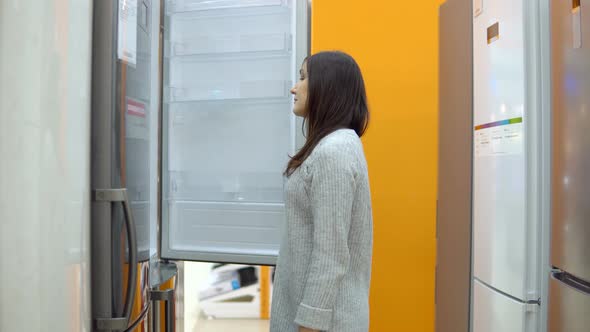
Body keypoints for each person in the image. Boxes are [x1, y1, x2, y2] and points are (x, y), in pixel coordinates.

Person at [269, 51, 373, 332]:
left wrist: (309, 324)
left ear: (327, 86)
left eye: (302, 78)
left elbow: (331, 255)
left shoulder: (334, 152)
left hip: (322, 325)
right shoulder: (333, 146)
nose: (294, 87)